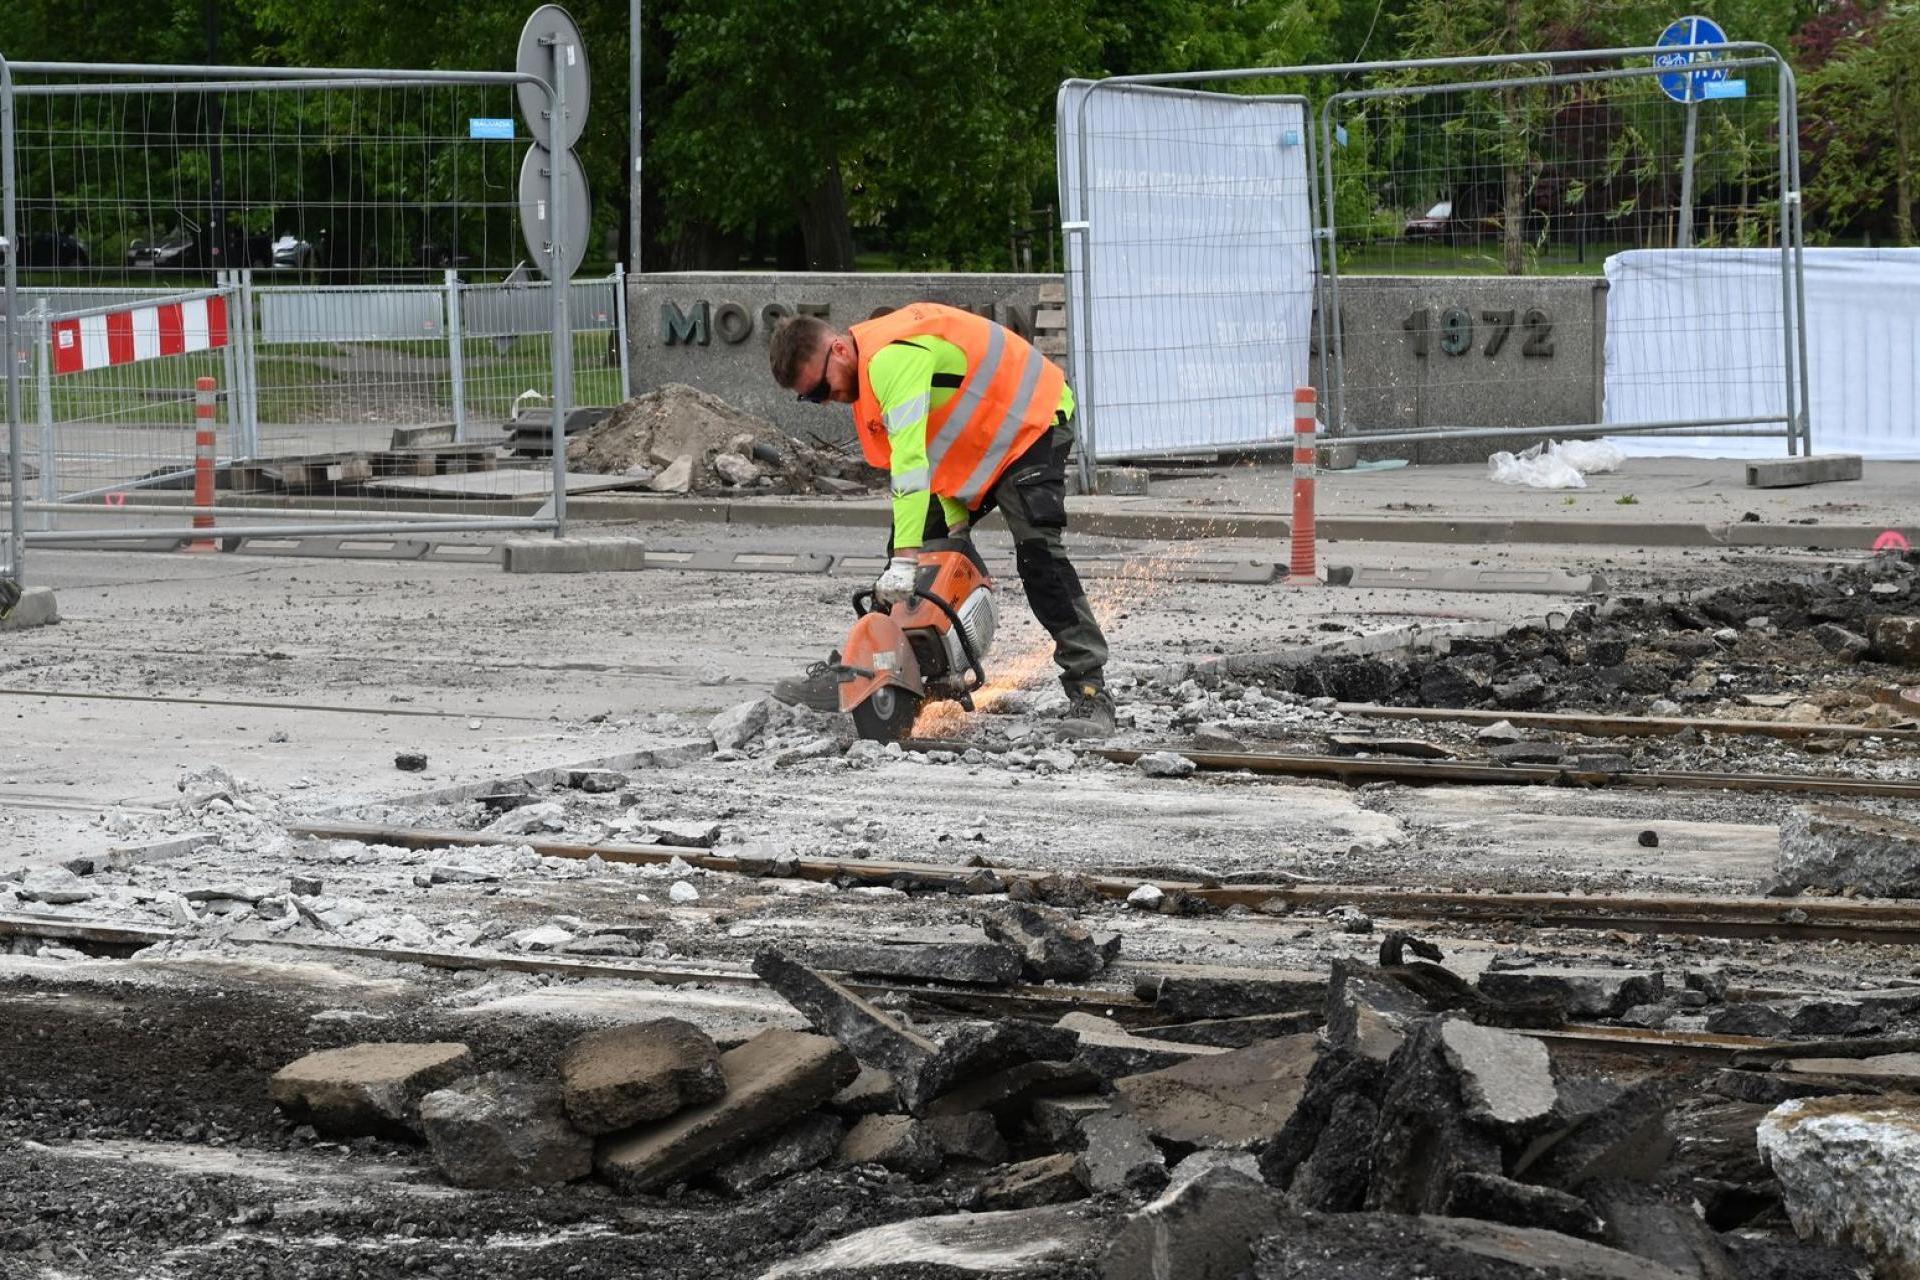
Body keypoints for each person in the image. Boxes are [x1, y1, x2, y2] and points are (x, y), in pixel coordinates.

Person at [767, 304, 1114, 735]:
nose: (824, 401)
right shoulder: (864, 377)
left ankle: (1090, 693)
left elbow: (911, 465)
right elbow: (927, 452)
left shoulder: (892, 359)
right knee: (912, 547)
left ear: (838, 350)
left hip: (1030, 424)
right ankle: (890, 672)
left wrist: (908, 560)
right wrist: (932, 538)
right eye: (810, 398)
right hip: (980, 442)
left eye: (820, 390)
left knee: (1038, 556)